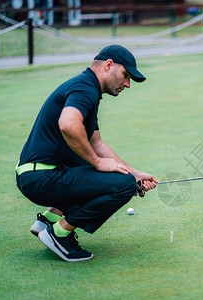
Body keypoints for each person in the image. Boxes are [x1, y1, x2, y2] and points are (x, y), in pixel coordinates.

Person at [15, 45, 158, 261]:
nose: (127, 84)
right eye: (125, 75)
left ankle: (49, 220)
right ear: (108, 65)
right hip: (41, 178)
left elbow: (98, 144)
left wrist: (135, 173)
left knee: (123, 178)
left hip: (34, 175)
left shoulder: (86, 86)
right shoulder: (85, 89)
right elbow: (68, 125)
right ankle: (60, 233)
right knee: (122, 185)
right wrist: (99, 164)